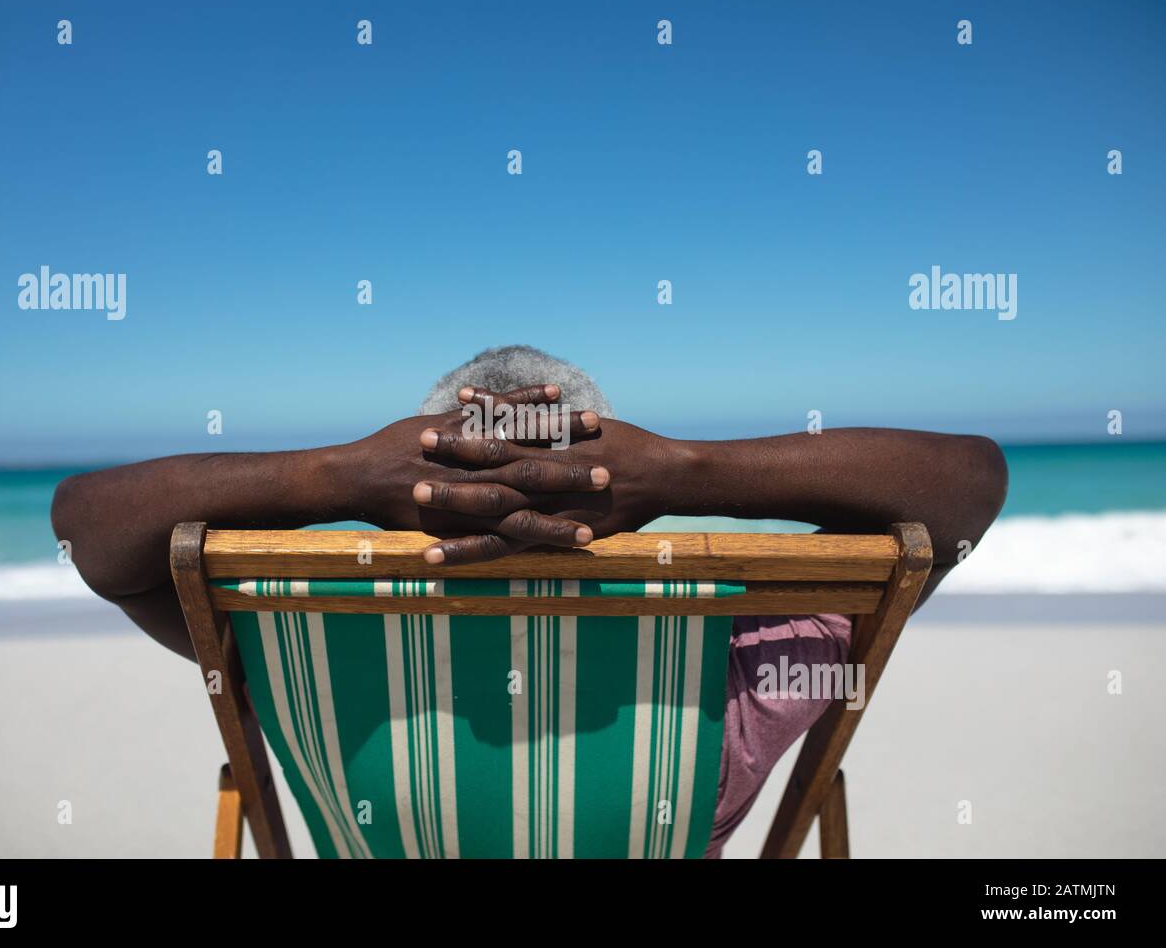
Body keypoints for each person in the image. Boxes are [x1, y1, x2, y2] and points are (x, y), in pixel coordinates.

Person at [51, 345, 1007, 856]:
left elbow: (89, 530)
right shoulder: (728, 669)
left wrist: (339, 474)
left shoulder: (282, 636)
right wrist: (682, 468)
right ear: (610, 489)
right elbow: (966, 490)